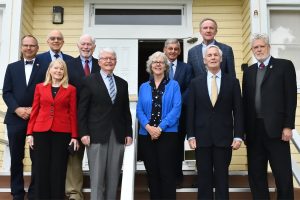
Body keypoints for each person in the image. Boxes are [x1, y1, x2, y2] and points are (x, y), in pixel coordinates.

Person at [243, 33, 297, 199]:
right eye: (255, 47)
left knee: (282, 174)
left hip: (277, 130)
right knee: (256, 174)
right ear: (252, 50)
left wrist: (288, 125)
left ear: (268, 47)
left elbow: (290, 97)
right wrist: (244, 130)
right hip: (254, 131)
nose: (259, 50)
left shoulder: (284, 66)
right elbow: (245, 103)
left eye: (261, 46)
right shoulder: (249, 72)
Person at [187, 45, 243, 200]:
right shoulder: (195, 83)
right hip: (201, 138)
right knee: (204, 178)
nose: (212, 57)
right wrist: (190, 135)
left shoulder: (232, 82)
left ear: (221, 59)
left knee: (222, 178)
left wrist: (238, 136)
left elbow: (238, 111)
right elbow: (191, 111)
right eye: (209, 55)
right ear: (204, 60)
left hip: (224, 139)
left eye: (215, 55)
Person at [78, 48, 133, 200]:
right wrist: (83, 132)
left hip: (117, 134)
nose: (109, 61)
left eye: (112, 58)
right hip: (95, 134)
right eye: (105, 58)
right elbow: (82, 109)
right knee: (97, 177)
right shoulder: (88, 81)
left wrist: (129, 132)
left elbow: (125, 111)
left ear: (115, 62)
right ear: (99, 61)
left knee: (114, 176)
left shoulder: (123, 83)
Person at [2, 35, 47, 200]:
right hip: (15, 119)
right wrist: (17, 109)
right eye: (26, 45)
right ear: (21, 47)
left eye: (32, 46)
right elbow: (6, 92)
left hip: (38, 119)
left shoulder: (45, 68)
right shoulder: (12, 67)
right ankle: (18, 193)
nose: (29, 48)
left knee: (37, 157)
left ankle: (35, 193)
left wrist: (33, 110)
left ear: (37, 48)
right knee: (16, 157)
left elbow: (47, 92)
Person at [26, 59, 79, 200]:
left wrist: (74, 136)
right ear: (50, 70)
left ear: (64, 72)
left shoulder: (71, 89)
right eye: (55, 68)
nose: (58, 71)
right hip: (40, 131)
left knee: (58, 168)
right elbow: (35, 111)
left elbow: (73, 113)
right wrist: (29, 133)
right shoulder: (39, 87)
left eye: (61, 69)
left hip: (62, 133)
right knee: (40, 168)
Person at [137, 51, 182, 199]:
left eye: (161, 62)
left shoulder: (174, 85)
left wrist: (160, 127)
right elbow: (139, 110)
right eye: (154, 62)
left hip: (168, 134)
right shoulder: (143, 86)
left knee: (167, 173)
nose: (157, 64)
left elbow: (176, 109)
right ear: (150, 66)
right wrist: (148, 127)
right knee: (152, 173)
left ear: (165, 66)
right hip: (146, 135)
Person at [65, 34, 100, 200]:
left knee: (97, 159)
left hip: (97, 119)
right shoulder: (69, 65)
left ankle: (98, 193)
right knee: (74, 157)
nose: (86, 47)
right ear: (78, 46)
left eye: (89, 44)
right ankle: (74, 194)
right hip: (75, 117)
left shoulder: (101, 65)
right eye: (83, 44)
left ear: (94, 47)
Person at [163, 38, 192, 187]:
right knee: (164, 146)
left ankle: (177, 176)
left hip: (180, 114)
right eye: (170, 48)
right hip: (162, 116)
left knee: (177, 145)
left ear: (179, 51)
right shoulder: (159, 66)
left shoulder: (186, 68)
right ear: (165, 50)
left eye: (176, 49)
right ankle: (165, 176)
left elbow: (189, 88)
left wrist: (176, 103)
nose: (173, 51)